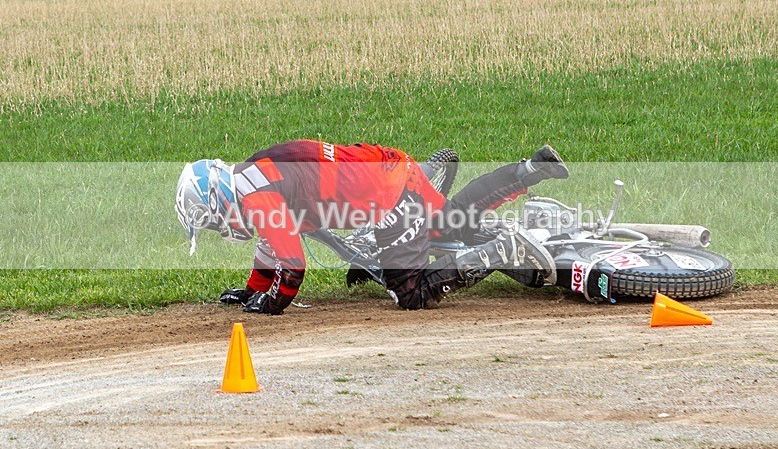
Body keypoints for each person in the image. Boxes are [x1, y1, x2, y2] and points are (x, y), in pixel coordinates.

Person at [175, 140, 568, 314]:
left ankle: (500, 252)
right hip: (388, 173)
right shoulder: (253, 177)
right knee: (451, 225)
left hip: (388, 195)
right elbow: (272, 246)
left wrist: (270, 304)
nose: (218, 226)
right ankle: (532, 169)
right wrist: (251, 291)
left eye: (210, 221)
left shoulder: (256, 197)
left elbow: (293, 266)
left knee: (409, 293)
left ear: (216, 201)